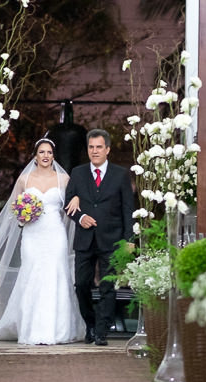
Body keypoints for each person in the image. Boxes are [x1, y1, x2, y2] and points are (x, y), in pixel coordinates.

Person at [0, 139, 82, 345]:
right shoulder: (24, 180)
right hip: (32, 234)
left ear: (53, 155)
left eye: (49, 152)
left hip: (55, 233)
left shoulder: (64, 178)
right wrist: (22, 215)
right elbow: (13, 207)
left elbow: (72, 203)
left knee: (56, 275)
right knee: (32, 275)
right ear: (35, 155)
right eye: (41, 152)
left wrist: (77, 198)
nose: (45, 155)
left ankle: (58, 330)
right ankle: (30, 328)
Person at [63, 129, 135, 346]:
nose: (95, 151)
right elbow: (68, 204)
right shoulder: (77, 173)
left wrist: (129, 239)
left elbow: (127, 208)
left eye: (99, 147)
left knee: (107, 286)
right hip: (85, 239)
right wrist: (81, 216)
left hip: (111, 238)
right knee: (81, 285)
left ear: (108, 149)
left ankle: (102, 331)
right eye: (91, 147)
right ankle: (91, 323)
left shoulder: (121, 174)